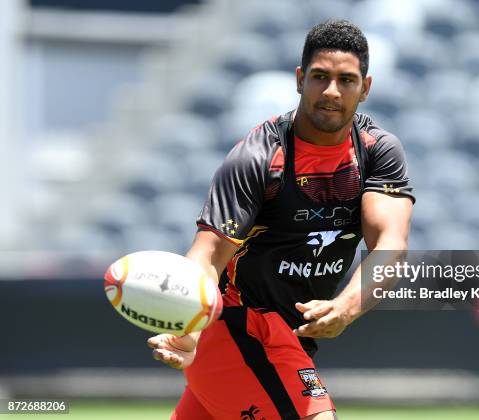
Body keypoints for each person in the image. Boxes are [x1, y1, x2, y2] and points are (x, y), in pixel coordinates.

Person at [148, 19, 414, 420]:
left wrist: (346, 307)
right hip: (238, 327)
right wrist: (188, 326)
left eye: (346, 80)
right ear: (299, 79)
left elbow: (389, 245)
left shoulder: (378, 151)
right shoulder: (257, 157)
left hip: (287, 337)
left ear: (366, 87)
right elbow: (206, 255)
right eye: (320, 77)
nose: (331, 92)